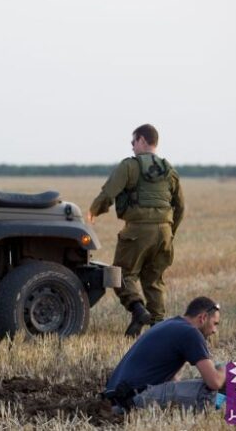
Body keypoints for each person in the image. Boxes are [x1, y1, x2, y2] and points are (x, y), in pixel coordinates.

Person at [86, 124, 184, 337]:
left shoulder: (130, 166)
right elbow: (180, 206)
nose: (132, 147)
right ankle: (157, 329)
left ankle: (138, 310)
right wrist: (170, 231)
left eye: (133, 142)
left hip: (138, 231)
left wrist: (93, 212)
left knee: (120, 274)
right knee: (154, 281)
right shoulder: (170, 170)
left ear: (142, 140)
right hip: (165, 233)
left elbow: (109, 193)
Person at [104, 296, 225, 411]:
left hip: (119, 398)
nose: (215, 331)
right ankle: (231, 408)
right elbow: (214, 382)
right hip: (135, 399)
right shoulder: (190, 332)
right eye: (215, 324)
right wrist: (226, 369)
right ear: (203, 317)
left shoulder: (168, 324)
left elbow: (171, 380)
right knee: (211, 388)